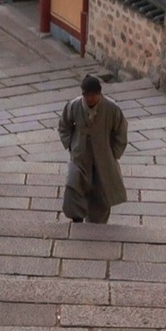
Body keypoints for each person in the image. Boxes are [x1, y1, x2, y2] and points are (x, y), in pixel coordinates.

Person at [58, 74, 128, 224]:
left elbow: (120, 132)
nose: (90, 98)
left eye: (93, 95)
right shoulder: (74, 106)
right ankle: (76, 216)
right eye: (87, 95)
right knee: (74, 184)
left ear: (99, 93)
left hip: (103, 156)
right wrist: (71, 144)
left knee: (101, 190)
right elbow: (64, 125)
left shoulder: (111, 108)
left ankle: (97, 222)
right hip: (80, 154)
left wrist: (114, 152)